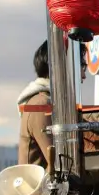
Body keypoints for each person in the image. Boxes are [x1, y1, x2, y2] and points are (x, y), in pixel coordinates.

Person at [17, 40, 89, 170]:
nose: (84, 76)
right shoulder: (41, 105)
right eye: (82, 66)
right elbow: (61, 165)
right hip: (44, 190)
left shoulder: (47, 102)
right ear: (63, 67)